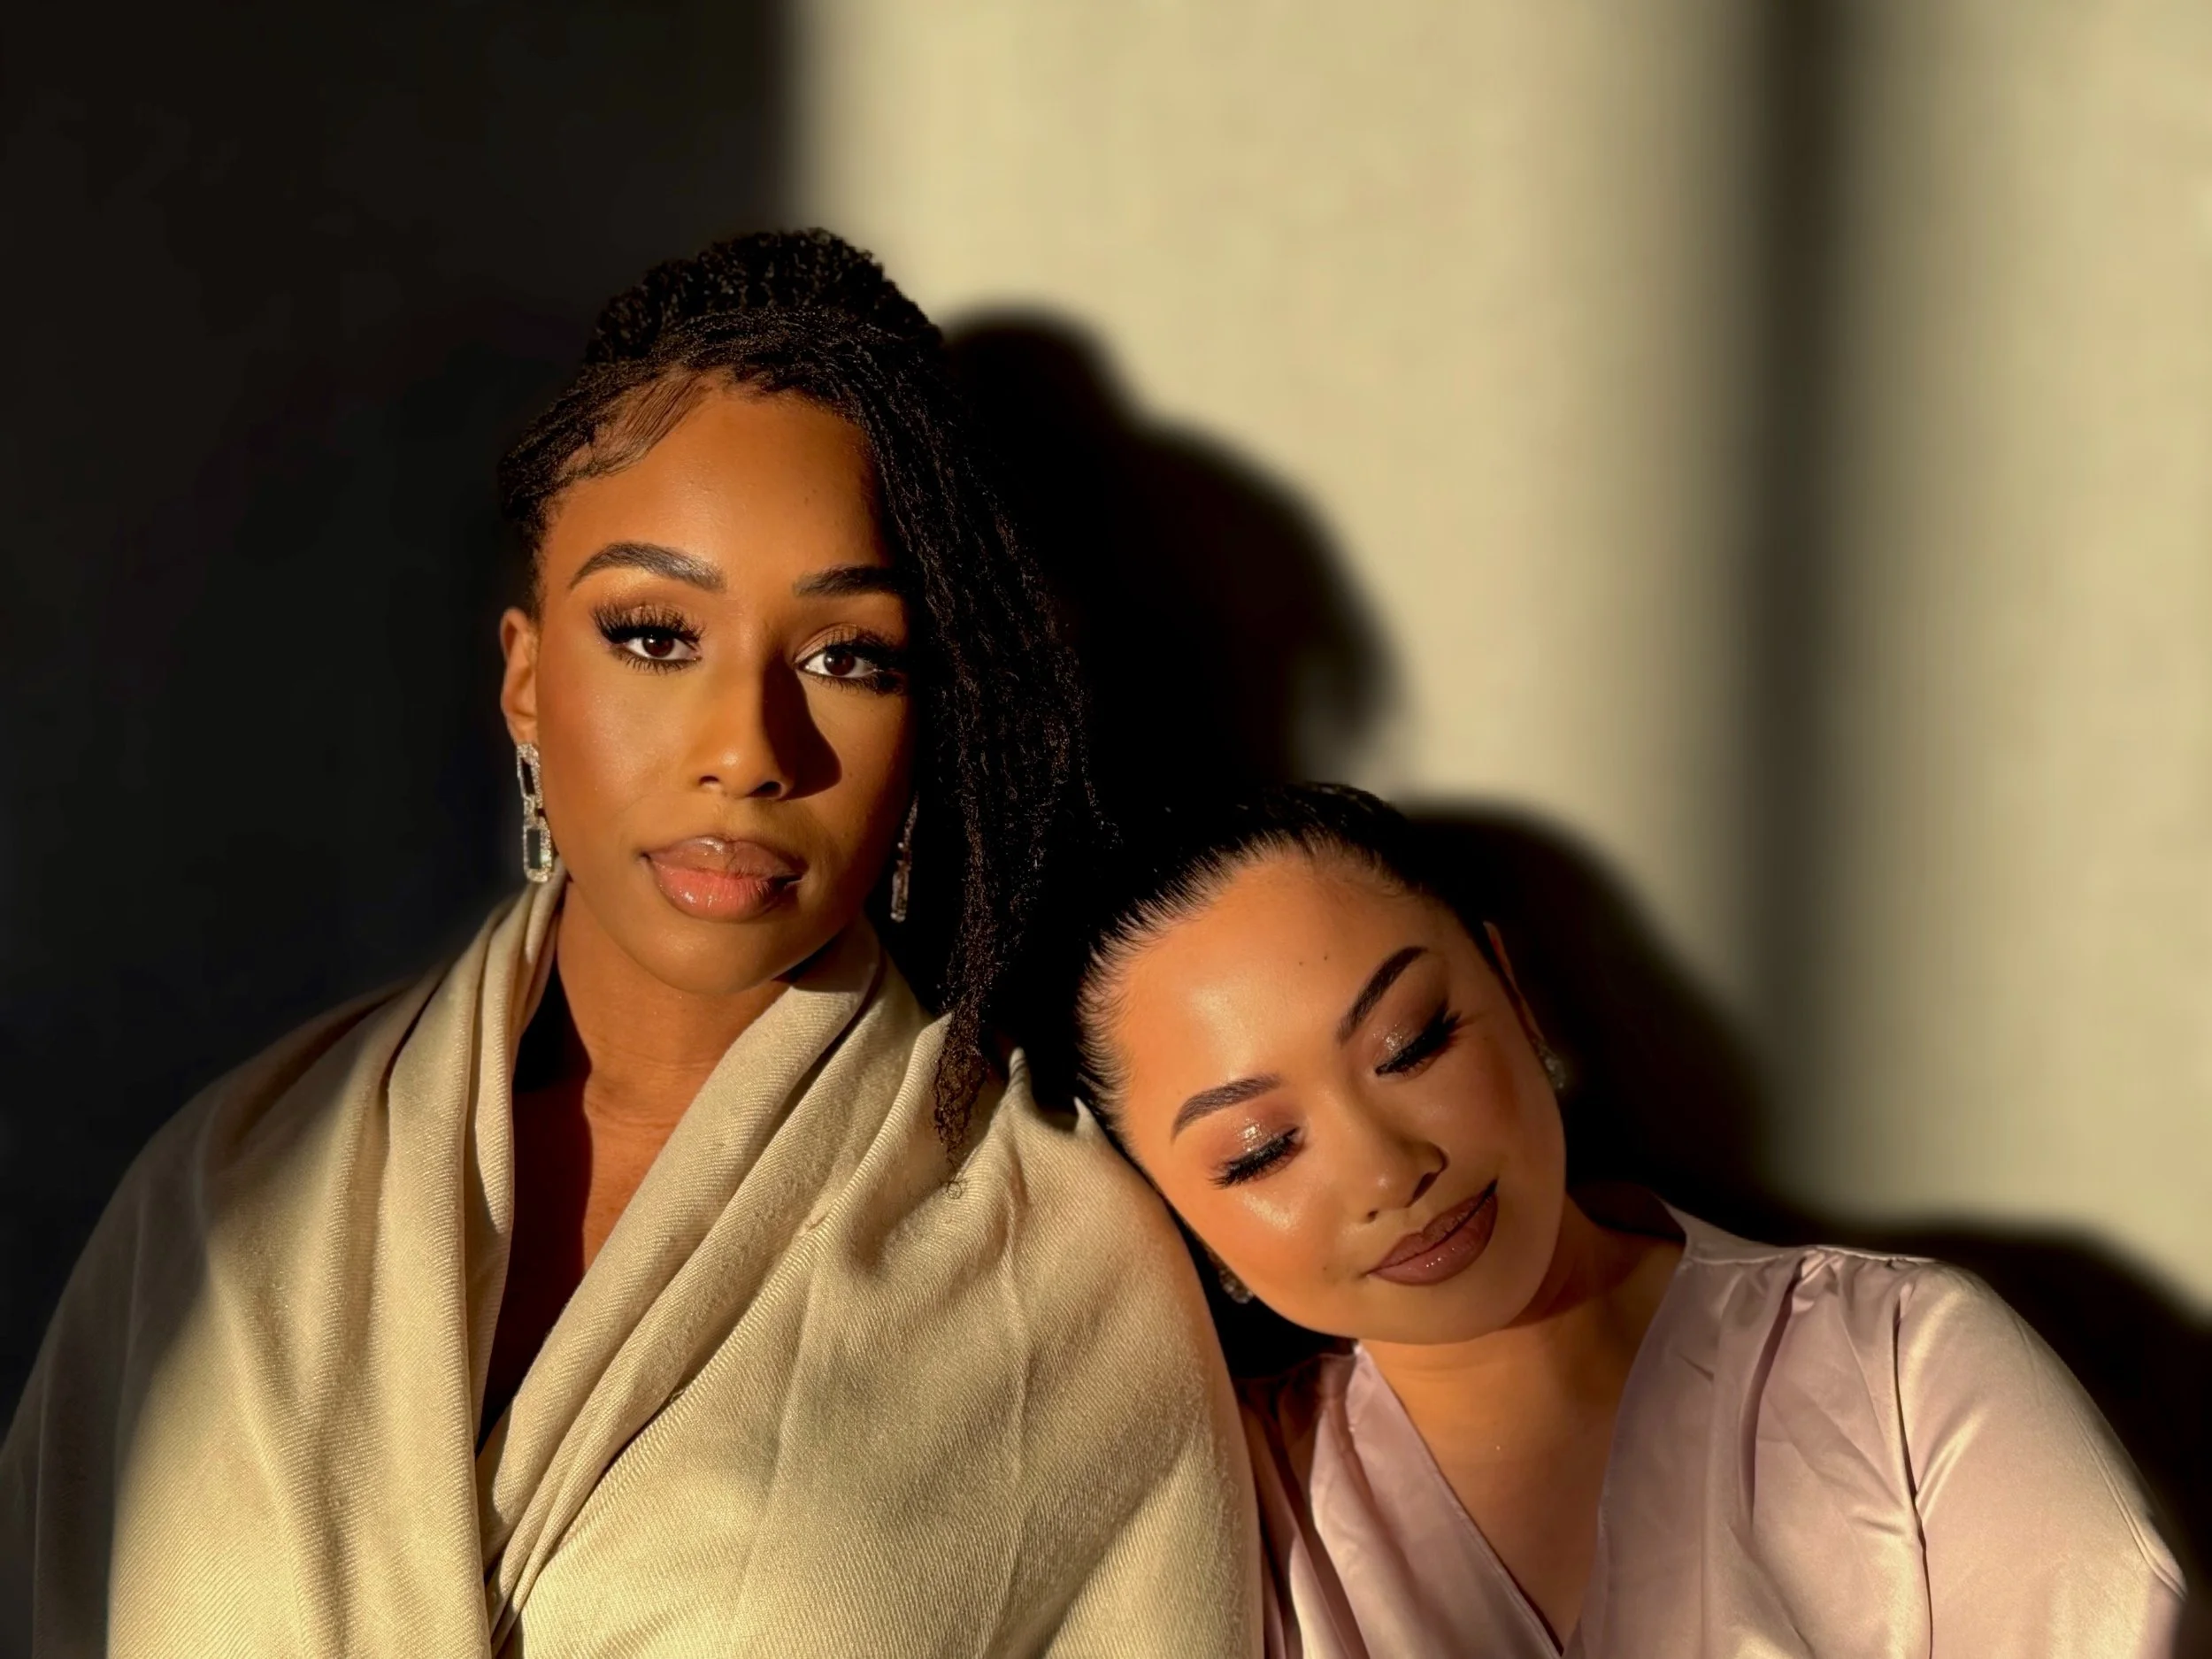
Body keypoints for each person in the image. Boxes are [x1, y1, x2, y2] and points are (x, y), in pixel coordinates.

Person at [1, 231, 1260, 1657]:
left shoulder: (1069, 1279)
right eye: (658, 634)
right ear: (527, 682)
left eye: (850, 655)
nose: (747, 749)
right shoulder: (222, 1196)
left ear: (929, 725)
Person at [1061, 783, 2185, 1657]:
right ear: (1167, 1211)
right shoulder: (1207, 1516)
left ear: (1513, 992)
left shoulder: (1895, 1362)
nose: (1389, 1170)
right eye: (1261, 1151)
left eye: (1411, 1046)